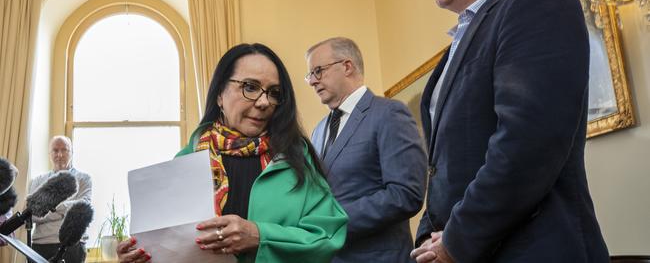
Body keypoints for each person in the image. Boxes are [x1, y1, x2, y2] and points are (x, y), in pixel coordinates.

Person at [410, 0, 609, 263]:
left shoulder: (536, 3)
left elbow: (528, 142)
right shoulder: (452, 52)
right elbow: (442, 169)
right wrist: (428, 237)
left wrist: (456, 241)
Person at [117, 43, 348, 263]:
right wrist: (141, 255)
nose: (264, 102)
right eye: (250, 87)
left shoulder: (297, 158)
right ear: (219, 94)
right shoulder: (185, 160)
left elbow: (329, 236)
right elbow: (167, 245)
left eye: (274, 92)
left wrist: (259, 236)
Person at [306, 37, 427, 262]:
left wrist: (333, 220)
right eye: (310, 75)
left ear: (347, 66)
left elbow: (406, 193)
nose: (312, 81)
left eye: (318, 71)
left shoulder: (389, 113)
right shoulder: (318, 131)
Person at [29, 135, 92, 263]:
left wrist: (51, 207)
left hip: (73, 244)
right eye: (55, 150)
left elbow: (82, 207)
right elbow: (32, 214)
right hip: (41, 244)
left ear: (72, 152)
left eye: (64, 150)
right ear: (49, 154)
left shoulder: (84, 178)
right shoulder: (38, 181)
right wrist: (65, 210)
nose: (60, 154)